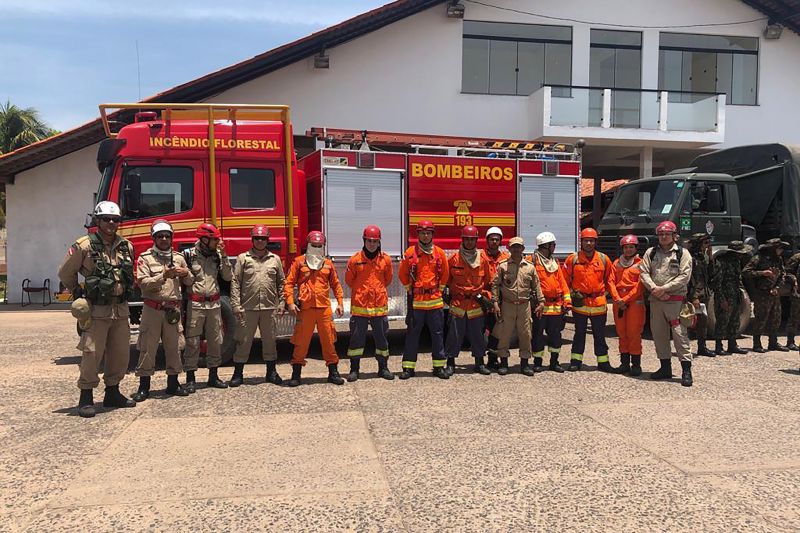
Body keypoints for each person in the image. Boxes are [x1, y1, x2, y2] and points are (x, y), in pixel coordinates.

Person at [58, 201, 136, 418]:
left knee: (121, 353)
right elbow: (65, 271)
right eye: (106, 219)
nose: (111, 223)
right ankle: (86, 397)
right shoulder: (84, 245)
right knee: (92, 353)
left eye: (115, 220)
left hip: (120, 309)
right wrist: (77, 292)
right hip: (96, 310)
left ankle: (113, 393)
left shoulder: (126, 245)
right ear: (97, 221)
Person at [132, 219, 192, 401]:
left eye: (167, 236)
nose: (164, 239)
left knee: (174, 348)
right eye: (160, 236)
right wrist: (163, 276)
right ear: (154, 238)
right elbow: (143, 284)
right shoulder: (145, 258)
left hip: (172, 310)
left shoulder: (180, 258)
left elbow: (190, 282)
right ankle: (144, 387)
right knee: (147, 348)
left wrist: (186, 273)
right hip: (152, 309)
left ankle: (173, 384)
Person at [284, 231, 345, 386]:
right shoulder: (299, 262)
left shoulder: (328, 264)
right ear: (308, 246)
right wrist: (290, 302)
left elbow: (336, 284)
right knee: (301, 342)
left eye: (320, 246)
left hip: (324, 308)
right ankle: (296, 374)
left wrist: (339, 302)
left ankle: (333, 372)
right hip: (306, 308)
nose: (317, 248)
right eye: (314, 245)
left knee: (329, 341)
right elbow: (289, 283)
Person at [229, 224, 286, 387]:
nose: (260, 241)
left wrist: (281, 302)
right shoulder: (243, 258)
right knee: (243, 341)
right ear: (252, 240)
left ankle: (271, 373)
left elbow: (281, 282)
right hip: (248, 308)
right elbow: (235, 282)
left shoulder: (274, 260)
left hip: (269, 308)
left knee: (270, 341)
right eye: (257, 238)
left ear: (267, 240)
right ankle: (238, 374)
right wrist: (235, 305)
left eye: (263, 238)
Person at [639, 221, 694, 386]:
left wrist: (664, 289)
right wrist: (654, 288)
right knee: (659, 334)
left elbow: (684, 276)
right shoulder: (651, 252)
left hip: (675, 302)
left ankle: (686, 371)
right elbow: (643, 272)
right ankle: (665, 368)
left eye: (667, 234)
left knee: (680, 336)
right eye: (661, 234)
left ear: (674, 236)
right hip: (656, 301)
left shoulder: (683, 254)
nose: (663, 237)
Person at [183, 223, 233, 391]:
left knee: (215, 340)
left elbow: (227, 277)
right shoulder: (188, 255)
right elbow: (185, 281)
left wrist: (225, 256)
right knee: (192, 342)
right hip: (195, 304)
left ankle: (213, 376)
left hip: (214, 304)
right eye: (214, 239)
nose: (217, 242)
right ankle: (190, 378)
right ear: (204, 239)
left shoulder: (217, 256)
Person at [399, 220, 450, 379]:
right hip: (417, 304)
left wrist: (439, 290)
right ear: (418, 234)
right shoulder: (410, 253)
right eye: (422, 233)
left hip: (435, 303)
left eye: (428, 233)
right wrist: (409, 288)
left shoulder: (439, 253)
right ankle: (408, 367)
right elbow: (403, 273)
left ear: (432, 234)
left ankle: (439, 367)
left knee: (437, 335)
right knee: (412, 335)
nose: (425, 235)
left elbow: (445, 274)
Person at [344, 225, 395, 381]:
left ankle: (383, 368)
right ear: (364, 240)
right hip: (360, 309)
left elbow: (388, 279)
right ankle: (354, 370)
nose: (372, 244)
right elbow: (349, 281)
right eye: (369, 241)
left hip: (379, 309)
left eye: (375, 241)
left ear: (379, 242)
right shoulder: (355, 260)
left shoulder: (385, 259)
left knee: (382, 340)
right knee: (356, 341)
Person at [564, 228, 616, 372]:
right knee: (579, 333)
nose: (588, 243)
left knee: (600, 334)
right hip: (580, 304)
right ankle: (575, 361)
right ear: (581, 242)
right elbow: (564, 281)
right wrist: (569, 297)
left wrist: (613, 297)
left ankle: (603, 362)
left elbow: (610, 280)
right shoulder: (573, 259)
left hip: (599, 303)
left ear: (595, 242)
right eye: (585, 240)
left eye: (591, 241)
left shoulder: (604, 259)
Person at [492, 237, 545, 376]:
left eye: (519, 247)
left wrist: (541, 302)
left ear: (523, 249)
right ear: (509, 249)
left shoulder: (530, 267)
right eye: (513, 247)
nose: (516, 249)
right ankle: (503, 363)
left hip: (524, 305)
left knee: (526, 334)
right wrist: (496, 303)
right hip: (507, 305)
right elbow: (495, 285)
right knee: (505, 333)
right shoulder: (503, 266)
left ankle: (525, 364)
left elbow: (537, 286)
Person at [445, 225, 493, 376]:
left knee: (478, 335)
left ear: (476, 240)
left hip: (475, 304)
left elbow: (488, 282)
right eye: (467, 239)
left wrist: (485, 298)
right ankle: (450, 364)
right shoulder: (453, 259)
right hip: (458, 304)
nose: (470, 242)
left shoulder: (483, 260)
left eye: (472, 240)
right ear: (462, 240)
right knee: (454, 335)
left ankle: (479, 363)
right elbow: (445, 281)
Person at [530, 231, 571, 373]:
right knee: (538, 335)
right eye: (553, 245)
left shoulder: (554, 262)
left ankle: (554, 362)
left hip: (556, 306)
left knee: (555, 335)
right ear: (546, 246)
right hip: (540, 306)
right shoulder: (533, 261)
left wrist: (567, 299)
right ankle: (537, 362)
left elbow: (562, 282)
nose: (555, 247)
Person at [743, 238, 791, 353]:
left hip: (774, 293)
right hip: (762, 293)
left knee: (776, 318)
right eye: (779, 248)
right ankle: (757, 343)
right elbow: (746, 272)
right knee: (761, 318)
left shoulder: (778, 260)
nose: (781, 251)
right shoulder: (758, 258)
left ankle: (773, 343)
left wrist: (777, 288)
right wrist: (762, 273)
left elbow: (782, 274)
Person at [608, 234, 645, 376]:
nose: (628, 250)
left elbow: (640, 286)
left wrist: (626, 299)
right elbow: (610, 282)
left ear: (636, 248)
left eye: (631, 247)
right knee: (622, 333)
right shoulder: (616, 263)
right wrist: (617, 299)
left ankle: (636, 365)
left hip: (634, 303)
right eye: (626, 247)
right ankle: (624, 363)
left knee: (634, 333)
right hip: (619, 303)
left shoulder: (641, 264)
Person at [710, 241, 751, 355]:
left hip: (735, 294)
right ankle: (719, 346)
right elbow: (717, 283)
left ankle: (732, 344)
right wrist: (722, 299)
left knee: (735, 320)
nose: (742, 255)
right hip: (725, 295)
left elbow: (738, 279)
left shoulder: (736, 262)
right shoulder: (721, 262)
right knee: (722, 321)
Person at [481, 227, 510, 370]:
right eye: (491, 239)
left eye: (497, 239)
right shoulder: (480, 257)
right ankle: (487, 360)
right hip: (484, 300)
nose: (494, 241)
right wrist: (485, 297)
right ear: (487, 240)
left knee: (500, 331)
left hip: (502, 301)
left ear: (500, 241)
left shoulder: (506, 257)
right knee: (485, 330)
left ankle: (497, 359)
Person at [687, 233, 714, 357]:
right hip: (693, 294)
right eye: (705, 243)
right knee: (687, 321)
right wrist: (694, 297)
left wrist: (710, 256)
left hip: (703, 292)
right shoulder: (690, 258)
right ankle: (685, 349)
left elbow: (711, 273)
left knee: (703, 321)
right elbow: (690, 279)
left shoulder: (702, 257)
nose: (707, 246)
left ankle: (702, 347)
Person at [784, 249, 800, 351]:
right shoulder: (797, 257)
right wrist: (794, 280)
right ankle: (790, 341)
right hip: (798, 292)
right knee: (794, 316)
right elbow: (787, 272)